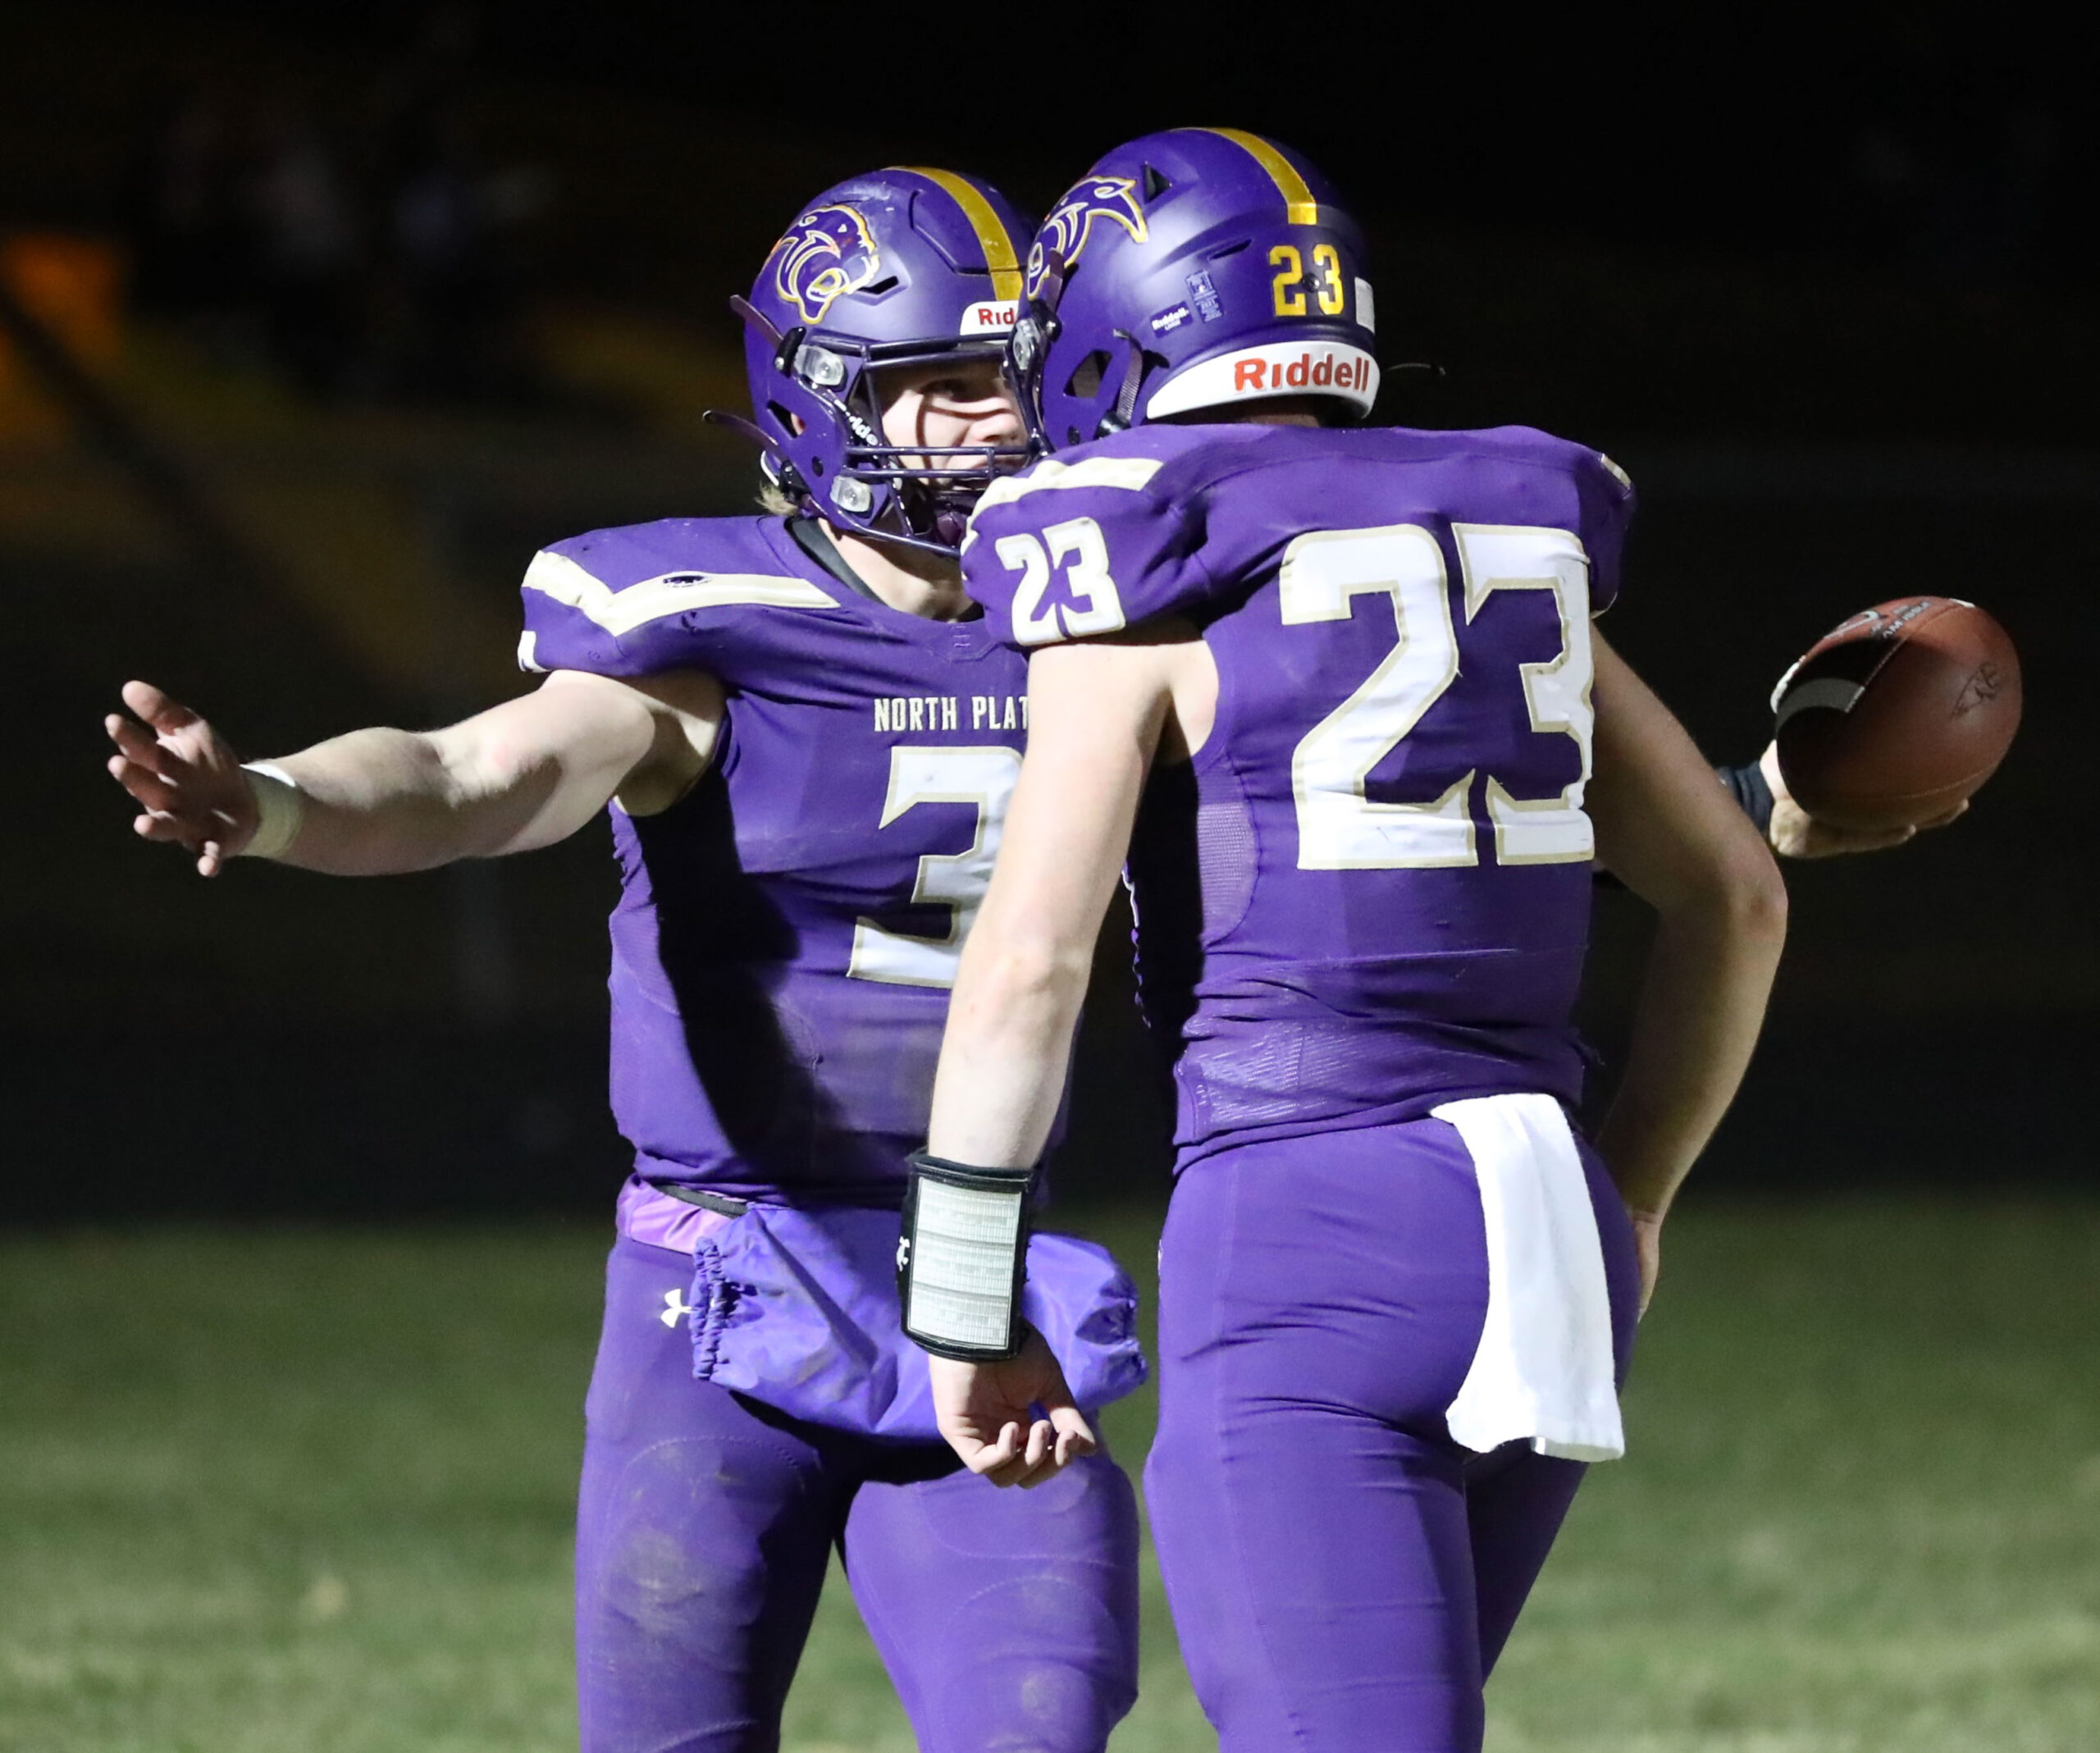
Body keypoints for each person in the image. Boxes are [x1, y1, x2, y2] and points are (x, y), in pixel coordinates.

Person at [104, 168, 1145, 1753]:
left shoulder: (1103, 624)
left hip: (984, 1275)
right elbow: (468, 775)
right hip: (718, 1290)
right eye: (944, 383)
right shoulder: (711, 644)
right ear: (822, 402)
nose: (996, 420)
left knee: (1041, 1722)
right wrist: (273, 801)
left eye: (1014, 378)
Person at [897, 130, 1789, 1751]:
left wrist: (961, 1302)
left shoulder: (1145, 543)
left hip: (1309, 1223)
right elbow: (1735, 890)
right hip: (1549, 1219)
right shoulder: (1506, 520)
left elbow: (1028, 964)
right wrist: (1639, 1196)